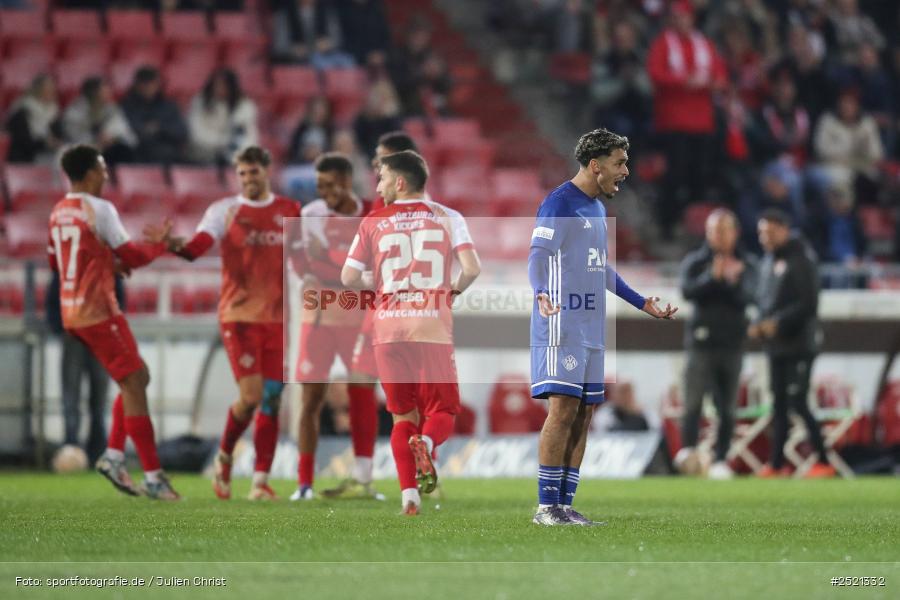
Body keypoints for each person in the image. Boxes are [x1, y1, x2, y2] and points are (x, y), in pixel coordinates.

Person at [528, 128, 677, 526]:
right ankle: (545, 507)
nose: (625, 171)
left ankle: (565, 505)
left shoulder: (595, 209)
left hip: (591, 328)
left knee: (583, 414)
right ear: (596, 166)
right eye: (619, 163)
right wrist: (541, 292)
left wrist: (641, 302)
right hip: (561, 323)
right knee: (561, 411)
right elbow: (537, 255)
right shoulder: (560, 204)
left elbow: (600, 269)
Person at [341, 150, 481, 516]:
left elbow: (348, 278)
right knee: (444, 410)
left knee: (402, 416)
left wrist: (384, 285)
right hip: (430, 322)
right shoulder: (449, 217)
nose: (379, 185)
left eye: (383, 178)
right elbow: (472, 268)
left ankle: (409, 499)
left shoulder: (373, 220)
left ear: (400, 182)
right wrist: (452, 291)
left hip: (387, 327)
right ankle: (427, 442)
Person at [165, 146, 302, 500]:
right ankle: (225, 455)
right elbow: (198, 246)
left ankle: (260, 481)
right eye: (241, 174)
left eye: (253, 172)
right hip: (238, 317)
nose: (247, 179)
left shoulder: (289, 211)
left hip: (276, 319)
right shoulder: (224, 211)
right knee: (251, 397)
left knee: (272, 398)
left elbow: (304, 260)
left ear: (267, 171)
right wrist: (176, 245)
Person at [48, 144, 179, 500]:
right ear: (89, 173)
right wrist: (162, 246)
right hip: (99, 311)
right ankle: (152, 475)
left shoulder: (58, 211)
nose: (106, 175)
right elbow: (133, 253)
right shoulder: (99, 209)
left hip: (71, 312)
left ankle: (114, 455)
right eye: (102, 168)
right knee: (135, 381)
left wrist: (106, 265)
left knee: (136, 376)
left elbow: (57, 263)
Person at [318, 130, 423, 500]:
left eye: (382, 159)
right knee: (363, 383)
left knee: (406, 396)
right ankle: (369, 476)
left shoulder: (400, 211)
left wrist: (336, 264)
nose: (375, 165)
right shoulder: (385, 207)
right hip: (391, 310)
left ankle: (419, 472)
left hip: (396, 310)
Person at [290, 152, 379, 501]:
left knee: (362, 395)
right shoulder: (309, 215)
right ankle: (304, 483)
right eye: (319, 185)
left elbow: (362, 273)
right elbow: (304, 267)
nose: (322, 192)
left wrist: (328, 261)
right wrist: (340, 272)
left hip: (359, 318)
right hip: (319, 317)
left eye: (329, 185)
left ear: (346, 181)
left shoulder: (372, 212)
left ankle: (364, 480)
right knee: (311, 396)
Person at [750, 209, 835, 478]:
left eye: (771, 231)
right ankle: (777, 465)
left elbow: (808, 303)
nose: (765, 237)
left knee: (798, 401)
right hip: (776, 345)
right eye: (762, 232)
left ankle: (823, 461)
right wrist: (761, 323)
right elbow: (764, 301)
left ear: (785, 230)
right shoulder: (768, 262)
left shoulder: (801, 259)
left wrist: (778, 322)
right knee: (780, 404)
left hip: (799, 344)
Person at [678, 209, 757, 480]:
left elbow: (750, 297)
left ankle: (721, 460)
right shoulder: (696, 261)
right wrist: (713, 277)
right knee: (692, 403)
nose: (718, 236)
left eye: (723, 230)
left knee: (727, 407)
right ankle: (689, 455)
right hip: (700, 342)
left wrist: (731, 282)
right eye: (713, 230)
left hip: (732, 344)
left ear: (735, 232)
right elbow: (687, 291)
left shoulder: (748, 263)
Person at [646, 0, 727, 236]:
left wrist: (708, 83)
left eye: (684, 17)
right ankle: (668, 224)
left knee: (699, 176)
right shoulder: (663, 44)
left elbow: (720, 76)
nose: (681, 22)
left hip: (702, 123)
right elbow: (655, 74)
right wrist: (684, 82)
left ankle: (694, 227)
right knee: (674, 175)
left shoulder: (704, 44)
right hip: (673, 122)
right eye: (677, 17)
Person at [46, 269, 126, 465]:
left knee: (97, 398)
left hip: (100, 336)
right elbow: (53, 299)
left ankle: (96, 450)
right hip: (74, 335)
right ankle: (71, 447)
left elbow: (119, 299)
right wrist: (61, 329)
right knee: (71, 397)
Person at [187, 68, 259, 165]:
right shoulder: (200, 102)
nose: (219, 88)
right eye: (216, 85)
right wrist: (223, 142)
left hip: (232, 156)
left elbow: (248, 136)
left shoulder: (244, 106)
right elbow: (196, 134)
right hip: (203, 155)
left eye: (224, 85)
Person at [120, 66, 189, 164]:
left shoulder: (169, 106)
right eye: (145, 84)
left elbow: (181, 132)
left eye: (152, 83)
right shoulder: (128, 106)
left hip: (171, 157)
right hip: (140, 158)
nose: (149, 88)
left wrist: (159, 128)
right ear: (137, 85)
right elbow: (132, 132)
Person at [62, 76, 136, 166]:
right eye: (104, 91)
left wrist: (112, 137)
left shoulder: (111, 109)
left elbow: (126, 133)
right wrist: (97, 140)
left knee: (123, 150)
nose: (108, 93)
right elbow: (73, 135)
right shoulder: (76, 111)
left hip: (109, 149)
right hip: (85, 152)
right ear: (93, 93)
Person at [5, 74, 64, 164]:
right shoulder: (22, 111)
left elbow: (58, 135)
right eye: (47, 89)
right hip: (25, 160)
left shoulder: (53, 111)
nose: (52, 92)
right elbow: (23, 143)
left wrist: (55, 142)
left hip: (47, 155)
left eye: (53, 88)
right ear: (37, 90)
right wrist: (45, 143)